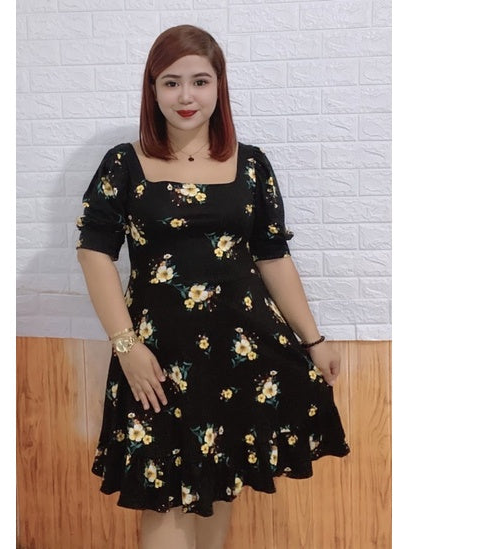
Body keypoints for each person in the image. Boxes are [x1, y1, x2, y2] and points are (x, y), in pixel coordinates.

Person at [76, 24, 349, 549]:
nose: (186, 96)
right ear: (152, 89)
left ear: (219, 86)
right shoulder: (123, 164)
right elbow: (93, 252)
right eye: (171, 82)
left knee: (220, 488)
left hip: (240, 354)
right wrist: (127, 347)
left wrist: (313, 340)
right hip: (153, 361)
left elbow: (273, 256)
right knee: (164, 497)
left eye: (200, 81)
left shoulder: (251, 164)